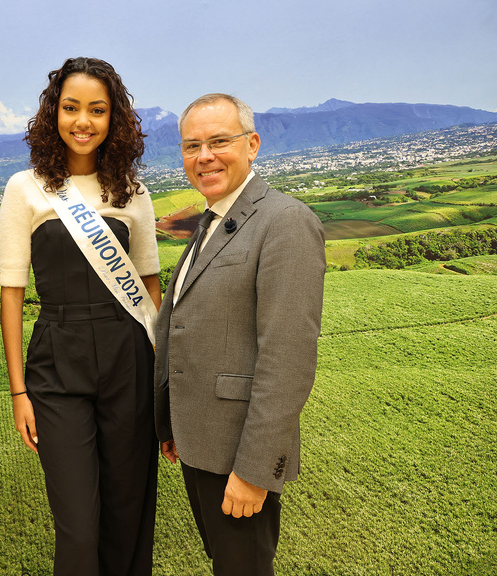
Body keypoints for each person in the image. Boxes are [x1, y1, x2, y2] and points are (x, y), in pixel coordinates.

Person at [0, 57, 161, 576]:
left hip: (128, 358)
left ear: (115, 120)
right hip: (56, 362)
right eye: (71, 108)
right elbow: (11, 295)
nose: (83, 121)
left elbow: (149, 287)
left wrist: (163, 381)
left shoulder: (134, 193)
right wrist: (19, 392)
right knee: (77, 521)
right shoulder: (25, 188)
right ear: (54, 113)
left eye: (97, 109)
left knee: (127, 508)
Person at [154, 93, 325, 575]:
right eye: (191, 146)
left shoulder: (285, 222)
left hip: (238, 454)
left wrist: (254, 470)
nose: (203, 156)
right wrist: (172, 420)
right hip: (199, 442)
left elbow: (287, 358)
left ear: (252, 144)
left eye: (218, 141)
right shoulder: (211, 220)